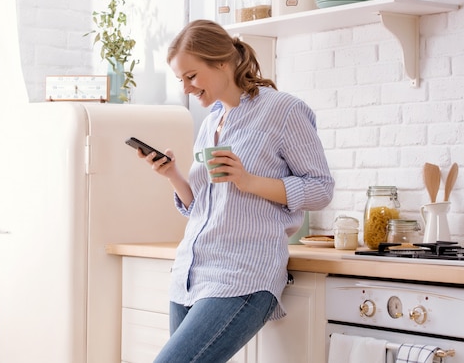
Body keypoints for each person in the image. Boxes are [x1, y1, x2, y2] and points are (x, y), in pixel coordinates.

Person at [136, 19, 335, 363]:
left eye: (192, 76)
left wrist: (249, 181)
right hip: (190, 274)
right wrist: (173, 175)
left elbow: (321, 189)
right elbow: (203, 206)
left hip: (242, 275)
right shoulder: (213, 121)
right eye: (180, 80)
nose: (186, 88)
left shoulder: (283, 110)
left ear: (222, 62)